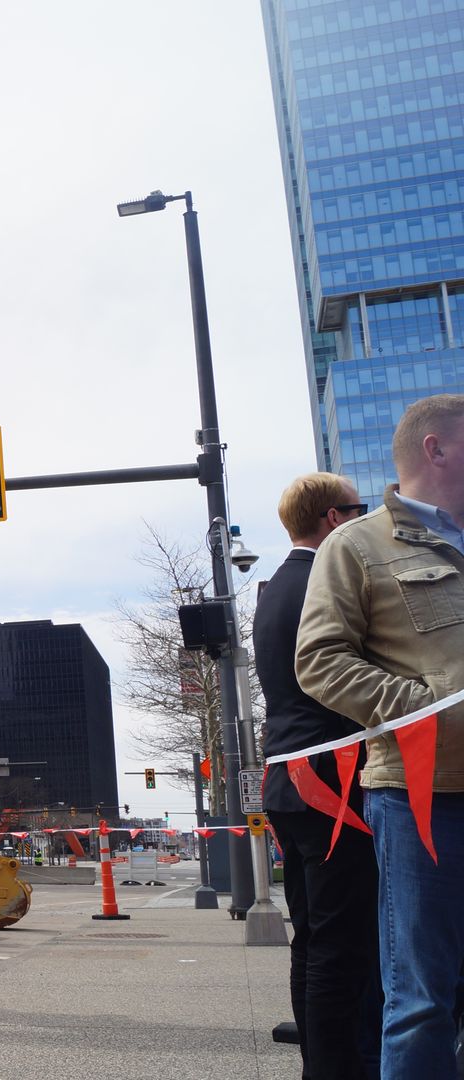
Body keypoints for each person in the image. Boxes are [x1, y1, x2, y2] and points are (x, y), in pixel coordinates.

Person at [298, 393, 464, 1078]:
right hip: (425, 798)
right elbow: (318, 661)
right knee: (424, 996)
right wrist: (429, 709)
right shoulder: (355, 545)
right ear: (437, 448)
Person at [258, 471, 379, 1080]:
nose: (363, 518)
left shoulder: (278, 585)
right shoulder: (322, 584)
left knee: (312, 935)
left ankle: (321, 1060)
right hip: (331, 774)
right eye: (358, 509)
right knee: (343, 940)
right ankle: (338, 1067)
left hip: (290, 773)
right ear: (334, 518)